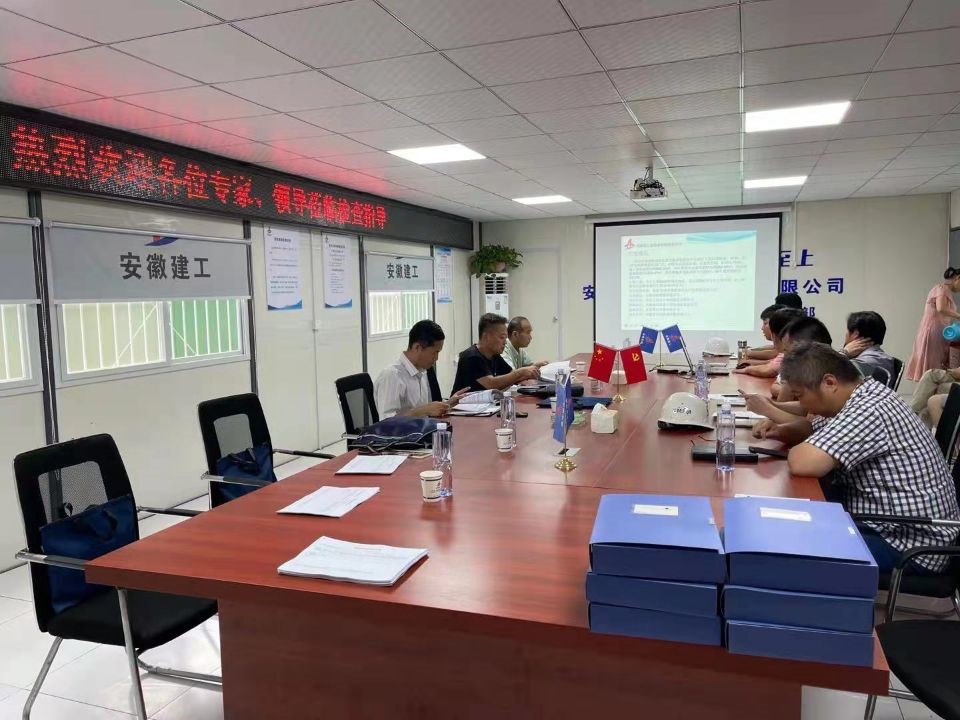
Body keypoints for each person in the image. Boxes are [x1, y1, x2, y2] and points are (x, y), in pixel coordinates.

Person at [751, 342, 960, 573]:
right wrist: (781, 431)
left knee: (780, 545)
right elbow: (812, 429)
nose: (801, 404)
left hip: (906, 544)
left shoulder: (869, 409)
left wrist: (795, 441)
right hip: (888, 524)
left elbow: (804, 463)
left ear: (829, 383)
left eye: (800, 396)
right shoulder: (863, 394)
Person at [374, 320, 469, 418]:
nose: (436, 358)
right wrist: (423, 411)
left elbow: (427, 410)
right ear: (417, 347)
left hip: (425, 426)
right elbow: (386, 422)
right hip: (408, 428)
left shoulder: (423, 371)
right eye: (434, 352)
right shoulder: (392, 376)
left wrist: (447, 404)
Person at [452, 313, 541, 392]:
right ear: (486, 337)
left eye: (505, 338)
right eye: (502, 337)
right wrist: (520, 372)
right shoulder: (471, 357)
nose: (505, 342)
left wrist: (531, 372)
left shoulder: (494, 355)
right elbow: (491, 384)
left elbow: (511, 376)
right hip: (464, 405)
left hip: (487, 404)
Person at [906, 267, 960, 381]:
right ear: (958, 278)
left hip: (937, 330)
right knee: (932, 365)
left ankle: (930, 389)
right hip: (933, 331)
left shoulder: (944, 290)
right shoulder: (942, 289)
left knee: (935, 364)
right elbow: (941, 308)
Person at [733, 307, 803, 378]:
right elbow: (771, 364)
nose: (762, 328)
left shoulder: (796, 354)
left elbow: (769, 370)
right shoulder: (794, 351)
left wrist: (747, 365)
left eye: (765, 323)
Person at [840, 311, 895, 382]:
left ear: (855, 334)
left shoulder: (862, 363)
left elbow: (828, 372)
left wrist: (844, 352)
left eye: (847, 331)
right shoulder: (881, 358)